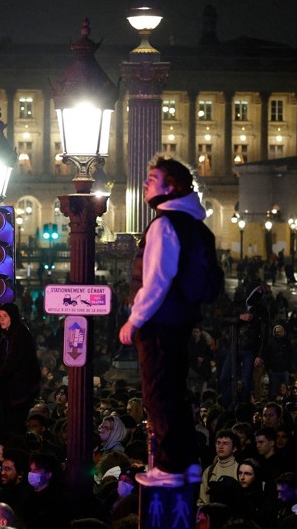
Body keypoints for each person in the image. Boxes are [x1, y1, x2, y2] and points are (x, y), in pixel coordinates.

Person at [119, 156, 210, 487]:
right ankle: (187, 463)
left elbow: (156, 279)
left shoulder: (164, 225)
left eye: (153, 177)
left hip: (159, 321)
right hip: (181, 319)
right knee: (175, 390)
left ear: (171, 186)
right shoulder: (192, 223)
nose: (146, 183)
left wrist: (134, 319)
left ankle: (169, 468)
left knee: (157, 392)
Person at [0, 304, 41, 438]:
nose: (1, 319)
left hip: (22, 391)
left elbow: (12, 363)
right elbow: (1, 354)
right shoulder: (10, 334)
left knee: (15, 427)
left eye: (5, 316)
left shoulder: (19, 335)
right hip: (18, 390)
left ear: (12, 317)